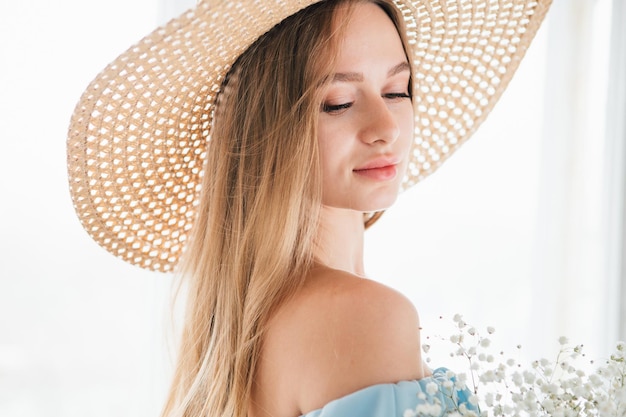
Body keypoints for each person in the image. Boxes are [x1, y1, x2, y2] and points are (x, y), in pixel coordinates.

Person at [66, 0, 552, 416]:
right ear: (267, 130)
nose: (386, 126)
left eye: (396, 90)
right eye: (339, 102)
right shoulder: (363, 317)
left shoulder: (243, 326)